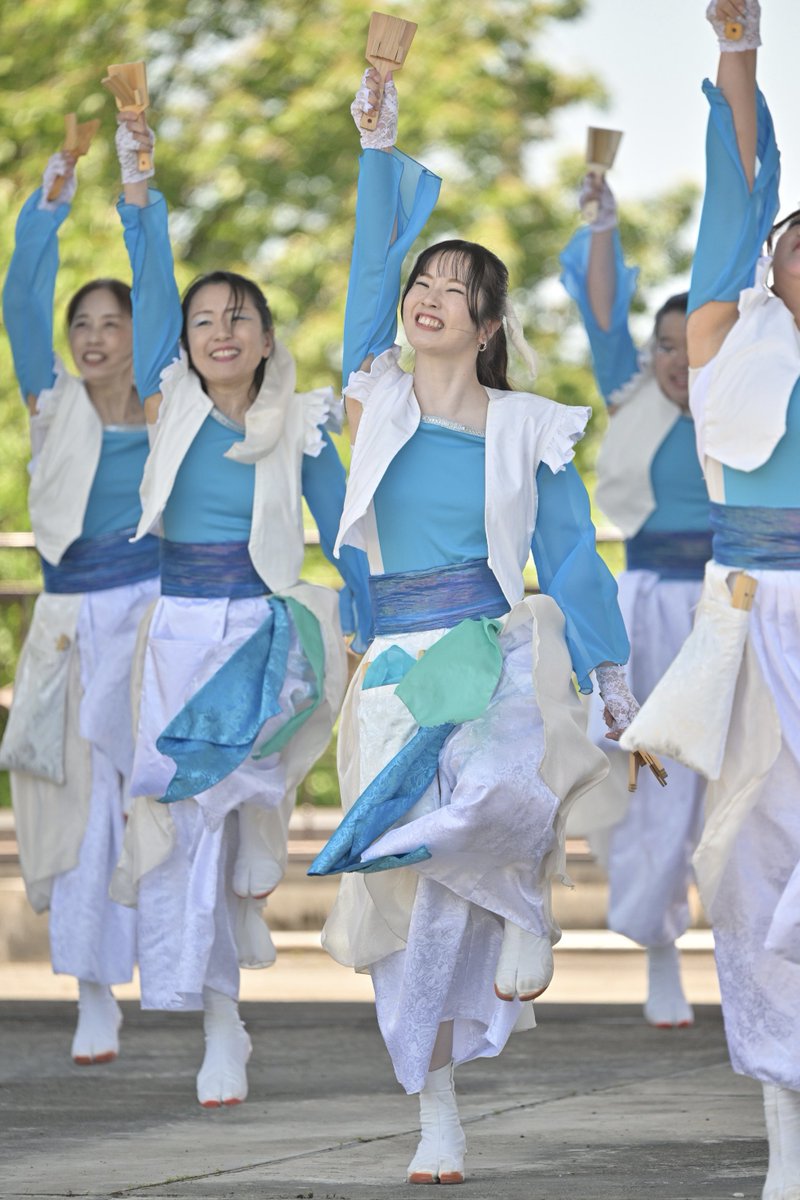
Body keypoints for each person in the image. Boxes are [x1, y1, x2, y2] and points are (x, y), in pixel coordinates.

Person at [310, 72, 635, 1186]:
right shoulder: (375, 400)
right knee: (402, 909)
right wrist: (377, 144)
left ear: (487, 323)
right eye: (422, 283)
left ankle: (521, 898)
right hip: (395, 665)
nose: (427, 297)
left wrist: (609, 676)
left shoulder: (527, 429)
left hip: (485, 653)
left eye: (456, 288)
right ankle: (433, 1115)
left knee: (501, 794)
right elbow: (363, 274)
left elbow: (573, 558)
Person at [107, 110, 371, 1107]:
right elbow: (149, 275)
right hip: (178, 631)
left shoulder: (298, 425)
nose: (220, 330)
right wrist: (141, 189)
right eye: (203, 318)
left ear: (267, 338)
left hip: (267, 637)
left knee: (243, 801)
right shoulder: (168, 401)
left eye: (239, 318)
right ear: (183, 341)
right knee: (184, 824)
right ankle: (221, 1021)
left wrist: (372, 617)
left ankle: (263, 844)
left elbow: (346, 532)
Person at [670, 3, 800, 1196]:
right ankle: (781, 1119)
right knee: (748, 851)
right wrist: (739, 53)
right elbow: (736, 182)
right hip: (750, 606)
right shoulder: (727, 333)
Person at [0, 149, 160, 1063]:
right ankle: (92, 994)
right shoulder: (52, 404)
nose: (95, 336)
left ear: (144, 332)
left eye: (114, 321)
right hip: (67, 625)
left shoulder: (174, 406)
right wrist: (47, 215)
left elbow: (161, 293)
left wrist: (139, 192)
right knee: (70, 806)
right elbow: (23, 303)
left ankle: (185, 973)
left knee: (151, 799)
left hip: (149, 620)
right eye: (83, 324)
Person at [559, 171, 712, 1027]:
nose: (679, 360)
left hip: (746, 599)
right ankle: (662, 952)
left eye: (696, 343)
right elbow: (601, 316)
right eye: (667, 345)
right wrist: (604, 225)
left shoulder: (762, 400)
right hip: (654, 605)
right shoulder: (633, 394)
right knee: (653, 781)